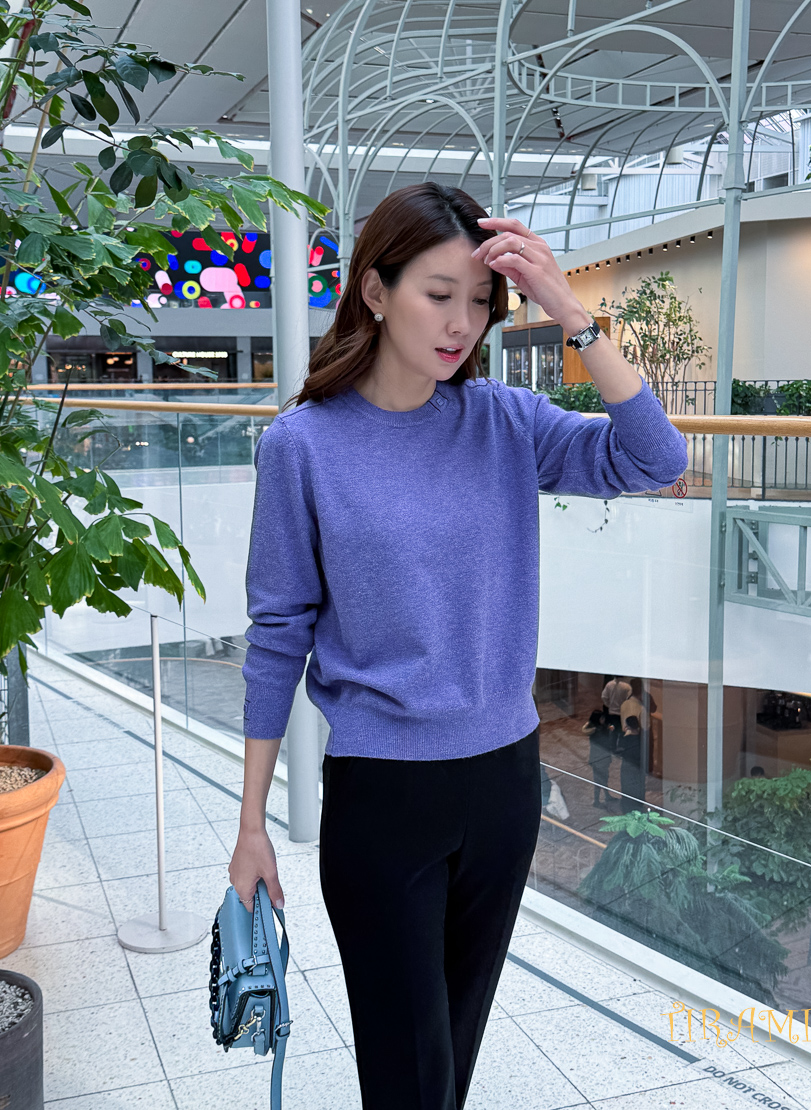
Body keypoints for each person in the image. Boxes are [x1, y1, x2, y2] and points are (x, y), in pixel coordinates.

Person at [229, 182, 688, 1110]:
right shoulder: (302, 446)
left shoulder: (506, 423)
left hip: (504, 785)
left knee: (453, 1061)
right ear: (375, 290)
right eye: (438, 294)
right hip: (383, 795)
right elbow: (277, 636)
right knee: (409, 1076)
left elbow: (657, 459)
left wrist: (568, 310)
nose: (461, 324)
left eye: (480, 302)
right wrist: (250, 826)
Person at [583, 706, 618, 810]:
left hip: (598, 758)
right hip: (600, 759)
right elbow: (606, 743)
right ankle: (597, 800)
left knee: (603, 778)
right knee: (600, 779)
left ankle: (605, 796)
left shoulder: (595, 729)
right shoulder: (599, 731)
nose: (603, 720)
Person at [619, 714, 646, 814]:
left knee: (627, 785)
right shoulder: (642, 739)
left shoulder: (626, 739)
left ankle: (627, 805)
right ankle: (638, 804)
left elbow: (619, 749)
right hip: (638, 766)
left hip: (628, 766)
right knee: (639, 785)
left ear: (628, 726)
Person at [601, 675, 632, 749]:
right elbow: (629, 700)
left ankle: (612, 747)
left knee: (613, 730)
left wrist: (609, 705)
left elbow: (604, 697)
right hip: (623, 713)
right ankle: (621, 746)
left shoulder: (609, 684)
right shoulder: (627, 687)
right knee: (623, 730)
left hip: (612, 712)